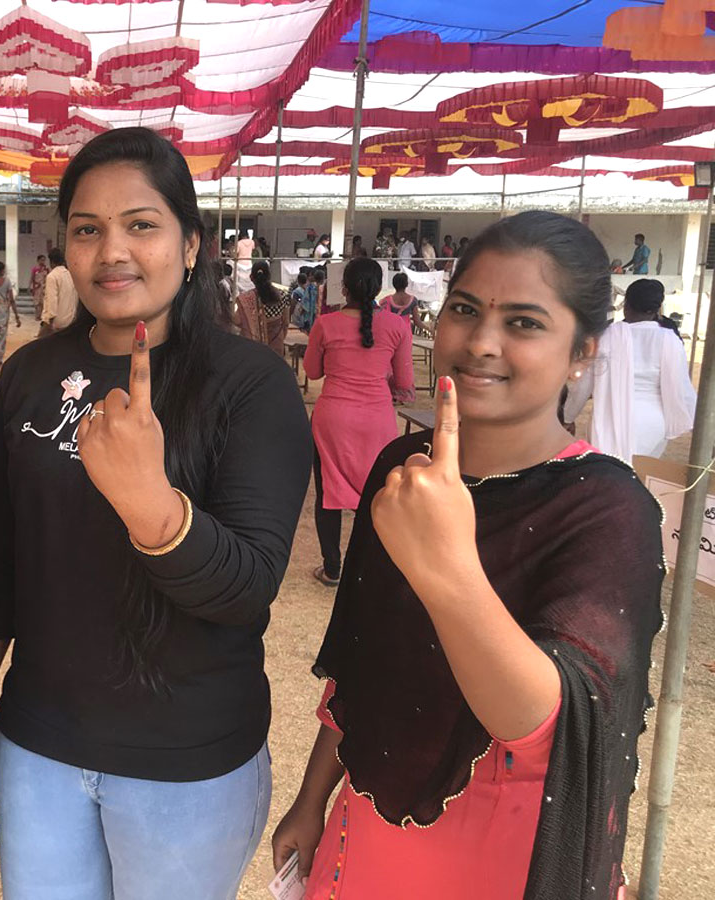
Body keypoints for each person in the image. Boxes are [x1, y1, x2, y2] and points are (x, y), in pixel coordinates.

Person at [274, 211, 663, 900]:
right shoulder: (404, 468)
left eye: (524, 322)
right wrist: (312, 798)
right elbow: (363, 662)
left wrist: (448, 570)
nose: (481, 341)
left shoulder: (607, 507)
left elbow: (552, 725)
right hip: (369, 813)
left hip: (507, 841)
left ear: (582, 352)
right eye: (465, 309)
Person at [0, 126, 311, 900]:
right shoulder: (31, 374)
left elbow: (249, 585)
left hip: (186, 767)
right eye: (87, 230)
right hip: (39, 750)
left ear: (190, 245)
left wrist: (149, 503)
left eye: (141, 225)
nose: (111, 251)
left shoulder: (249, 386)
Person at [303, 257, 415, 587]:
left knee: (329, 494)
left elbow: (312, 372)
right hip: (378, 422)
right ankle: (368, 568)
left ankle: (332, 568)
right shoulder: (397, 327)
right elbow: (406, 382)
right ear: (379, 289)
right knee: (376, 493)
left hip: (332, 421)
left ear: (344, 288)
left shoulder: (326, 324)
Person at [567, 278, 696, 460]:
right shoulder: (670, 339)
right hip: (654, 422)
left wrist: (568, 416)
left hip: (610, 419)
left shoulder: (607, 336)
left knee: (609, 475)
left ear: (626, 304)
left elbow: (584, 384)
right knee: (640, 475)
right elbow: (682, 386)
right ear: (657, 308)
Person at [238, 260, 290, 355]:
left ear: (251, 278)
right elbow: (286, 322)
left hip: (254, 348)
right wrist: (281, 337)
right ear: (269, 276)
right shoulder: (283, 295)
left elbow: (237, 320)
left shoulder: (246, 299)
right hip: (276, 344)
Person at [40, 246, 78, 336]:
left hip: (54, 324)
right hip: (69, 322)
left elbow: (52, 303)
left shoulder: (52, 276)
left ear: (51, 261)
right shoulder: (71, 275)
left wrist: (49, 325)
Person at [29, 253, 49, 321]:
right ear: (38, 260)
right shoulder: (35, 269)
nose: (43, 262)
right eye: (41, 260)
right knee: (36, 302)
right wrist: (29, 287)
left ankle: (41, 316)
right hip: (37, 288)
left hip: (44, 288)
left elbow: (48, 278)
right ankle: (37, 315)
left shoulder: (46, 269)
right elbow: (32, 278)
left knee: (42, 302)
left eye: (44, 260)